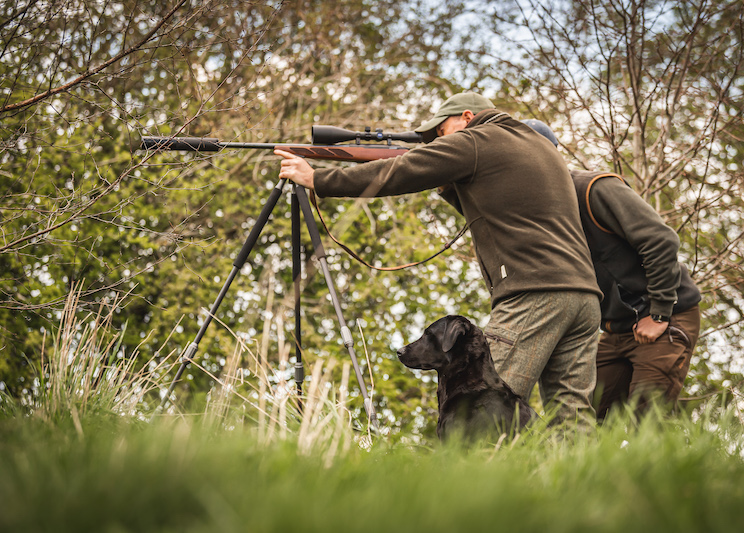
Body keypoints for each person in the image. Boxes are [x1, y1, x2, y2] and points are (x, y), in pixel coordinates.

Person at [276, 92, 603, 430]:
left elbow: (405, 169)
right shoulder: (537, 146)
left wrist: (319, 179)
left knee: (480, 409)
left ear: (466, 116)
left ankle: (472, 483)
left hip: (534, 295)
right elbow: (504, 215)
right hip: (584, 297)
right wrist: (449, 186)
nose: (440, 141)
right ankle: (578, 482)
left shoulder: (477, 138)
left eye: (441, 132)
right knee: (572, 417)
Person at [522, 120, 702, 420]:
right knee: (583, 417)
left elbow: (660, 240)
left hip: (664, 316)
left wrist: (658, 313)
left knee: (647, 420)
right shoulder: (535, 214)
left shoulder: (594, 189)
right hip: (614, 330)